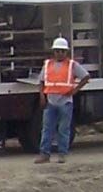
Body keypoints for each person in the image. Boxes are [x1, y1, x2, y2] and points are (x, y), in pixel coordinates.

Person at [35, 36, 90, 165]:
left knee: (63, 129)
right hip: (51, 101)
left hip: (65, 102)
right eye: (57, 51)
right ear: (54, 52)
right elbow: (41, 82)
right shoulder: (48, 64)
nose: (60, 53)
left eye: (62, 51)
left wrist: (75, 90)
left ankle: (62, 154)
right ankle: (44, 154)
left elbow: (86, 77)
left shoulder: (72, 65)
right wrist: (42, 96)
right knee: (47, 129)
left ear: (66, 52)